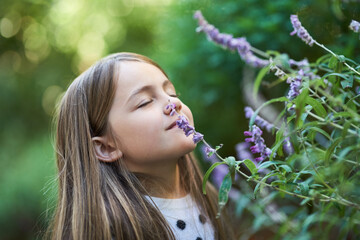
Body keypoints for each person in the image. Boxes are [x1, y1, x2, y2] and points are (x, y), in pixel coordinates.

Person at [46, 52, 235, 240]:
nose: (174, 103)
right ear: (106, 148)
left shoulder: (208, 199)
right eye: (144, 103)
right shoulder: (116, 232)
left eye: (171, 93)